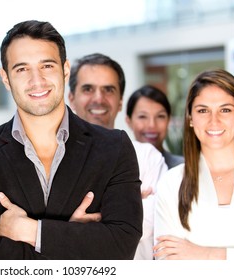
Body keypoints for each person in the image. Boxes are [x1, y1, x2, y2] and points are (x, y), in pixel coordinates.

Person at [0, 20, 143, 260]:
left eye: (47, 66)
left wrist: (33, 231)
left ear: (65, 69)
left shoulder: (114, 147)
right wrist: (72, 238)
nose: (37, 80)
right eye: (22, 69)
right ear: (5, 78)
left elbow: (121, 246)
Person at [68, 53, 167, 260]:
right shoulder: (52, 158)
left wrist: (70, 228)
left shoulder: (148, 156)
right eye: (88, 89)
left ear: (120, 102)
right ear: (71, 99)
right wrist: (124, 203)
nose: (98, 98)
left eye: (108, 90)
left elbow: (147, 226)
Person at [153, 69, 234, 260]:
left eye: (225, 109)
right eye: (202, 110)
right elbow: (167, 262)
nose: (214, 121)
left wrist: (205, 254)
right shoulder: (171, 183)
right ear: (190, 118)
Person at [126, 85, 184, 169]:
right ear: (129, 121)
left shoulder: (183, 168)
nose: (152, 125)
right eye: (143, 116)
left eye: (160, 116)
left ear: (168, 120)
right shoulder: (116, 168)